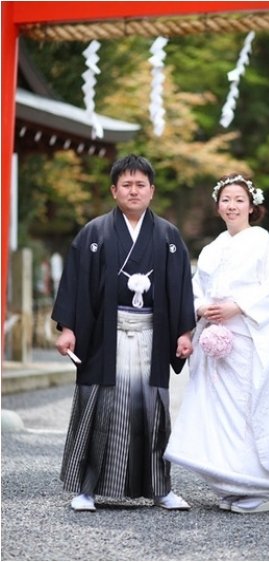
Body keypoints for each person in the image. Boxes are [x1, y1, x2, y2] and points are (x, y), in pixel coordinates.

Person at [53, 154, 196, 512]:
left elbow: (180, 288)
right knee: (98, 410)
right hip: (105, 336)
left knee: (153, 411)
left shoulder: (167, 236)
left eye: (140, 185)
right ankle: (87, 489)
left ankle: (160, 488)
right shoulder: (95, 232)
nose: (134, 191)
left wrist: (183, 333)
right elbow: (75, 284)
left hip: (151, 334)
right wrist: (69, 328)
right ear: (114, 190)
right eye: (126, 185)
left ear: (152, 191)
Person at [164, 173, 269, 514]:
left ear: (251, 206)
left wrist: (238, 306)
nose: (232, 205)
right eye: (226, 200)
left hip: (246, 337)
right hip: (215, 340)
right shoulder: (213, 247)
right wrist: (201, 307)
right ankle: (230, 483)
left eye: (239, 200)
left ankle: (258, 488)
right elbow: (196, 288)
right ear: (218, 206)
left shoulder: (261, 241)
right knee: (218, 412)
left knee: (246, 409)